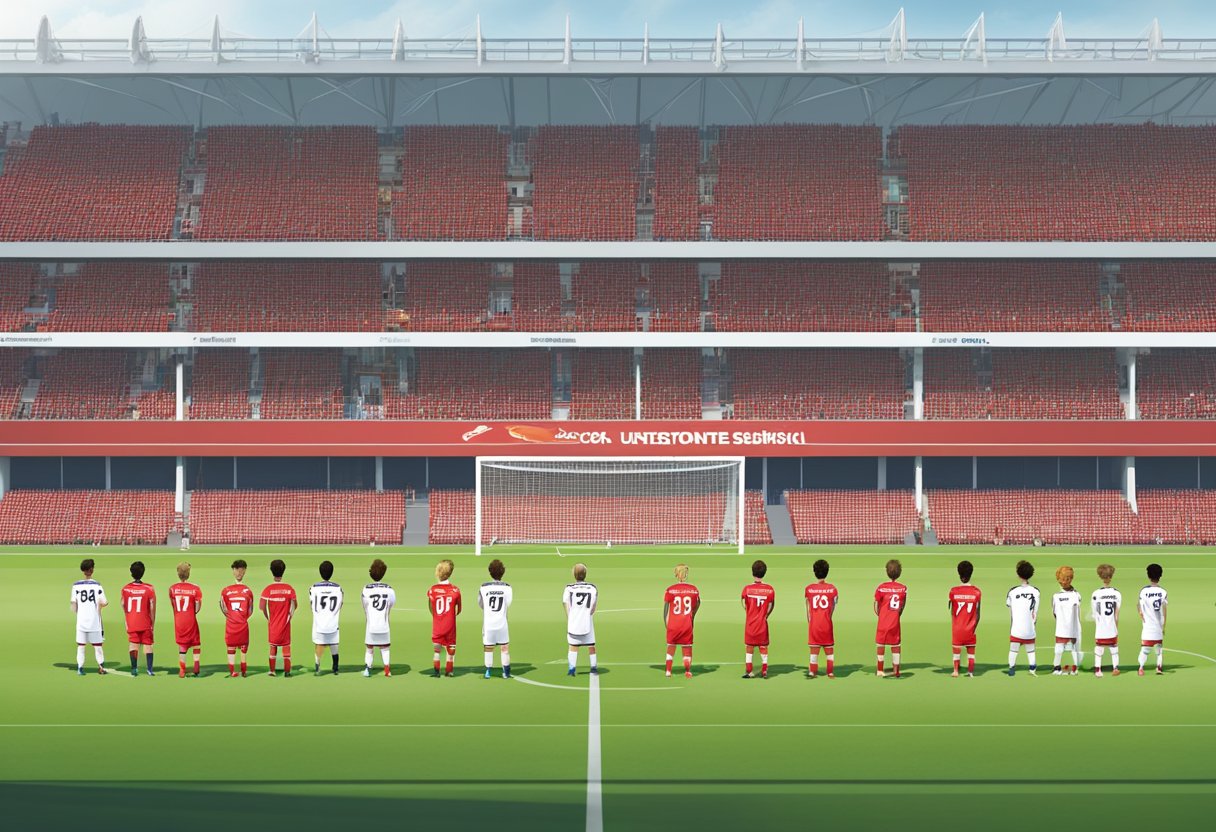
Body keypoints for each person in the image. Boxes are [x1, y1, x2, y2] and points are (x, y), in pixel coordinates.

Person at [259, 559, 297, 677]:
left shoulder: (267, 589)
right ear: (283, 571)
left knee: (273, 647)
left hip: (273, 624)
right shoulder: (289, 589)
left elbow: (262, 607)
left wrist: (268, 618)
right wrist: (289, 617)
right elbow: (295, 605)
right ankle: (287, 671)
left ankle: (272, 670)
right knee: (286, 647)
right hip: (285, 624)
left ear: (271, 571)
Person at [71, 558, 108, 675]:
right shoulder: (97, 585)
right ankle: (101, 667)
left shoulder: (76, 586)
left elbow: (73, 604)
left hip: (81, 622)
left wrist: (79, 613)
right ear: (92, 569)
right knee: (98, 646)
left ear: (83, 571)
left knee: (81, 647)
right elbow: (105, 602)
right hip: (94, 622)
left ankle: (80, 668)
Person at [663, 564, 700, 678]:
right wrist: (692, 615)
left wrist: (666, 623)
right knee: (687, 648)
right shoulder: (694, 590)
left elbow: (665, 610)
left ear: (676, 574)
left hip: (673, 624)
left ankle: (668, 671)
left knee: (671, 646)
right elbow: (698, 604)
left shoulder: (670, 590)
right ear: (686, 574)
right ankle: (688, 671)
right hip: (686, 624)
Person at [120, 561, 156, 677]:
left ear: (131, 573)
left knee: (133, 644)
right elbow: (152, 607)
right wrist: (152, 623)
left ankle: (134, 668)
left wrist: (128, 617)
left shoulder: (125, 589)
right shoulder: (149, 588)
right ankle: (149, 669)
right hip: (145, 621)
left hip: (132, 621)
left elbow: (122, 604)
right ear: (143, 572)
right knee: (148, 645)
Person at [479, 559, 513, 679]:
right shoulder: (508, 587)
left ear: (490, 572)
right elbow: (508, 603)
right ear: (503, 572)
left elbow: (481, 604)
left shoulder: (483, 587)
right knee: (504, 647)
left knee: (488, 648)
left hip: (489, 623)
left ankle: (488, 671)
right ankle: (506, 672)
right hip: (502, 623)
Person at [220, 559, 255, 678]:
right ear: (233, 571)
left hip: (232, 625)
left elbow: (223, 608)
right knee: (243, 649)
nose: (239, 572)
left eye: (241, 570)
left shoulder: (226, 591)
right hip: (242, 624)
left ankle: (235, 671)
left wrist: (232, 617)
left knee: (231, 648)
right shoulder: (248, 591)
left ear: (245, 571)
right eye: (237, 570)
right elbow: (250, 610)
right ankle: (242, 671)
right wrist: (242, 617)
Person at [741, 560, 775, 679]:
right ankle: (764, 671)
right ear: (764, 573)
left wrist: (750, 613)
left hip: (750, 624)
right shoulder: (770, 590)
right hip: (762, 624)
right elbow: (771, 606)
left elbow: (743, 604)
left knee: (749, 647)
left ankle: (749, 671)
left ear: (752, 572)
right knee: (763, 647)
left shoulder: (747, 589)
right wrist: (764, 616)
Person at [804, 559, 838, 679]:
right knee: (829, 649)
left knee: (814, 649)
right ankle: (830, 672)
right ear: (827, 572)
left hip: (814, 624)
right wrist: (828, 617)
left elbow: (807, 609)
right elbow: (833, 606)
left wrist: (811, 622)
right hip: (826, 623)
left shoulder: (809, 589)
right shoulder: (833, 589)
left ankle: (812, 671)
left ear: (814, 572)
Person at [361, 558, 395, 677]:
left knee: (369, 647)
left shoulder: (366, 589)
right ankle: (387, 670)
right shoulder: (390, 589)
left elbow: (364, 605)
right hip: (384, 624)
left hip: (371, 624)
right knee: (385, 647)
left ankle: (367, 669)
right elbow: (391, 603)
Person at [563, 563, 599, 676]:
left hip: (574, 621)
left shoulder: (569, 588)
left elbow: (566, 603)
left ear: (574, 575)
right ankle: (593, 668)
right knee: (591, 645)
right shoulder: (593, 588)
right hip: (587, 621)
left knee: (573, 646)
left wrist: (570, 616)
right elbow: (593, 607)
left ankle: (571, 669)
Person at [1005, 560, 1040, 676]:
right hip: (1030, 628)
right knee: (1031, 649)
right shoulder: (1036, 591)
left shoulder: (1012, 591)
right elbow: (1036, 610)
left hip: (1016, 628)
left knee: (1013, 649)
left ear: (1018, 575)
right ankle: (1032, 668)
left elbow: (1009, 606)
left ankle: (1011, 668)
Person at [874, 559, 907, 678]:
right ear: (899, 573)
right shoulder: (903, 588)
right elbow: (902, 605)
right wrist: (896, 615)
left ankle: (879, 670)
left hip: (882, 621)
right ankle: (896, 670)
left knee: (880, 645)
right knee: (896, 645)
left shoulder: (881, 588)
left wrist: (881, 615)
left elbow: (876, 605)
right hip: (895, 621)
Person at [168, 562, 203, 678]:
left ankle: (182, 670)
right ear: (189, 574)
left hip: (179, 620)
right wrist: (192, 612)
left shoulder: (172, 588)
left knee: (182, 646)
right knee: (196, 643)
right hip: (190, 619)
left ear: (178, 574)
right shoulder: (195, 588)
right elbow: (198, 607)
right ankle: (196, 668)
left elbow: (173, 604)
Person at [947, 560, 981, 678]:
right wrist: (974, 627)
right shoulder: (977, 592)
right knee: (971, 651)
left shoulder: (953, 591)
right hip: (970, 628)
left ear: (959, 574)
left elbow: (951, 610)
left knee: (956, 650)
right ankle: (970, 671)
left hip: (957, 628)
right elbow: (978, 614)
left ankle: (956, 670)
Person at [428, 560, 461, 677]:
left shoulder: (432, 590)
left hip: (437, 625)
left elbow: (430, 607)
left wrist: (437, 616)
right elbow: (459, 610)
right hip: (450, 625)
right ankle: (449, 671)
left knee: (437, 649)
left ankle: (436, 672)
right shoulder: (456, 590)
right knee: (451, 648)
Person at [310, 560, 343, 675]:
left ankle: (318, 666)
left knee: (320, 643)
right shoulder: (338, 588)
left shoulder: (313, 588)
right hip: (332, 620)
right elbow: (340, 603)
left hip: (319, 621)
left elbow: (311, 603)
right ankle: (335, 667)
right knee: (334, 642)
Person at [1091, 563, 1122, 677]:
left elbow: (1095, 613)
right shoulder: (1117, 594)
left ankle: (1098, 670)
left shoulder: (1096, 594)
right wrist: (1116, 627)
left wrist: (1098, 624)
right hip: (1112, 627)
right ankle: (1115, 668)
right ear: (1111, 576)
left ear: (1100, 576)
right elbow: (1117, 614)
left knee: (1099, 648)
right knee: (1114, 649)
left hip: (1100, 627)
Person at [1137, 563, 1168, 676]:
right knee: (1159, 650)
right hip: (1158, 627)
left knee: (1144, 650)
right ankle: (1159, 668)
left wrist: (1141, 615)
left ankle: (1141, 668)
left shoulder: (1144, 591)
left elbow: (1139, 607)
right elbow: (1164, 611)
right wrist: (1163, 626)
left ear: (1148, 576)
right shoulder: (1163, 592)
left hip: (1147, 627)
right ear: (1160, 576)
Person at [1051, 566, 1083, 675]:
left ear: (1071, 579)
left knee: (1074, 648)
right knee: (1059, 648)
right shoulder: (1056, 596)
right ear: (1059, 579)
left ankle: (1074, 667)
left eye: (1068, 578)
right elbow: (1055, 613)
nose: (1065, 581)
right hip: (1062, 627)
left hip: (1074, 628)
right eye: (1063, 579)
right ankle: (1056, 667)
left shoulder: (1076, 595)